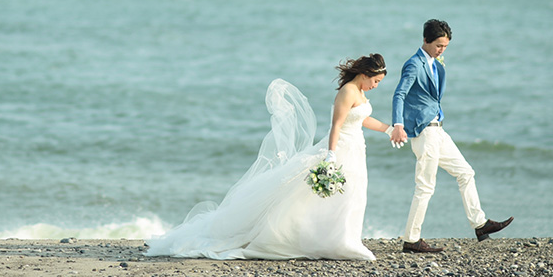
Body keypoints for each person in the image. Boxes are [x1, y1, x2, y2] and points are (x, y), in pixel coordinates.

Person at [146, 55, 396, 261]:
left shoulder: (360, 93)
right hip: (340, 148)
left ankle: (343, 240)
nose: (375, 86)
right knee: (331, 193)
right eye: (375, 81)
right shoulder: (348, 91)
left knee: (353, 194)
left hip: (356, 148)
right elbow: (336, 125)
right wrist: (330, 155)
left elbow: (362, 119)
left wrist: (388, 129)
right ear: (364, 74)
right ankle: (334, 242)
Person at [390, 19, 513, 253]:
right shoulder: (414, 64)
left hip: (439, 129)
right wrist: (398, 124)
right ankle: (412, 239)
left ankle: (480, 224)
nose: (442, 50)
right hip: (424, 131)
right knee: (425, 187)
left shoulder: (436, 64)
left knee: (465, 172)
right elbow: (399, 94)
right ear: (425, 40)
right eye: (438, 46)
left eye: (445, 46)